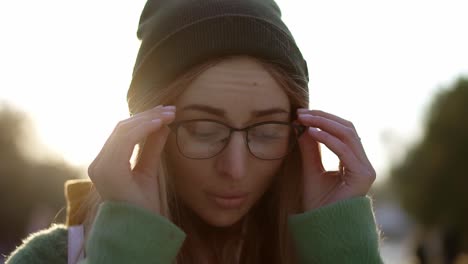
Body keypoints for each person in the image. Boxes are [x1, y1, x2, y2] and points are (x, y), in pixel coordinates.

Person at [6, 0, 382, 263]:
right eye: (203, 130)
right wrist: (126, 250)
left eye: (267, 131)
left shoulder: (332, 253)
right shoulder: (55, 259)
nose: (234, 169)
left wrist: (341, 250)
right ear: (148, 130)